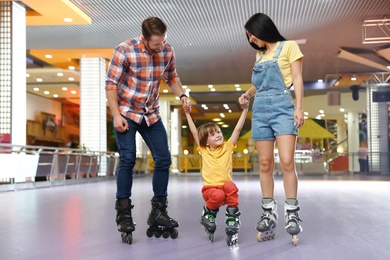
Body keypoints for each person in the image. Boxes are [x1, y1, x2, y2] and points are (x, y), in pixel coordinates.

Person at [105, 16, 191, 243]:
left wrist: (182, 95)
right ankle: (123, 212)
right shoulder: (124, 50)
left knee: (164, 159)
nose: (160, 47)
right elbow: (111, 85)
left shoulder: (167, 50)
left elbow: (171, 77)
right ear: (144, 39)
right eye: (156, 44)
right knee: (128, 158)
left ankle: (158, 210)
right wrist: (115, 114)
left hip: (151, 113)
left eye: (163, 41)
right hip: (126, 111)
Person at [239, 13, 304, 246]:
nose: (251, 39)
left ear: (262, 29)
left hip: (283, 108)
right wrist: (247, 94)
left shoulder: (289, 47)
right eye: (248, 36)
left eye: (251, 34)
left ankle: (292, 212)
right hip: (260, 111)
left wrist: (299, 108)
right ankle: (268, 212)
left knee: (287, 161)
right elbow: (259, 84)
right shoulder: (259, 55)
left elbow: (297, 77)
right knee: (265, 164)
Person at [184, 100, 249, 246]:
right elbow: (194, 132)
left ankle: (232, 218)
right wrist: (187, 113)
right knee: (218, 195)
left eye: (218, 132)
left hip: (225, 187)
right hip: (210, 189)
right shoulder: (204, 150)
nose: (218, 135)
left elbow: (237, 129)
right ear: (206, 142)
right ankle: (208, 212)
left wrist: (245, 110)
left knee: (231, 186)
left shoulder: (228, 146)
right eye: (212, 135)